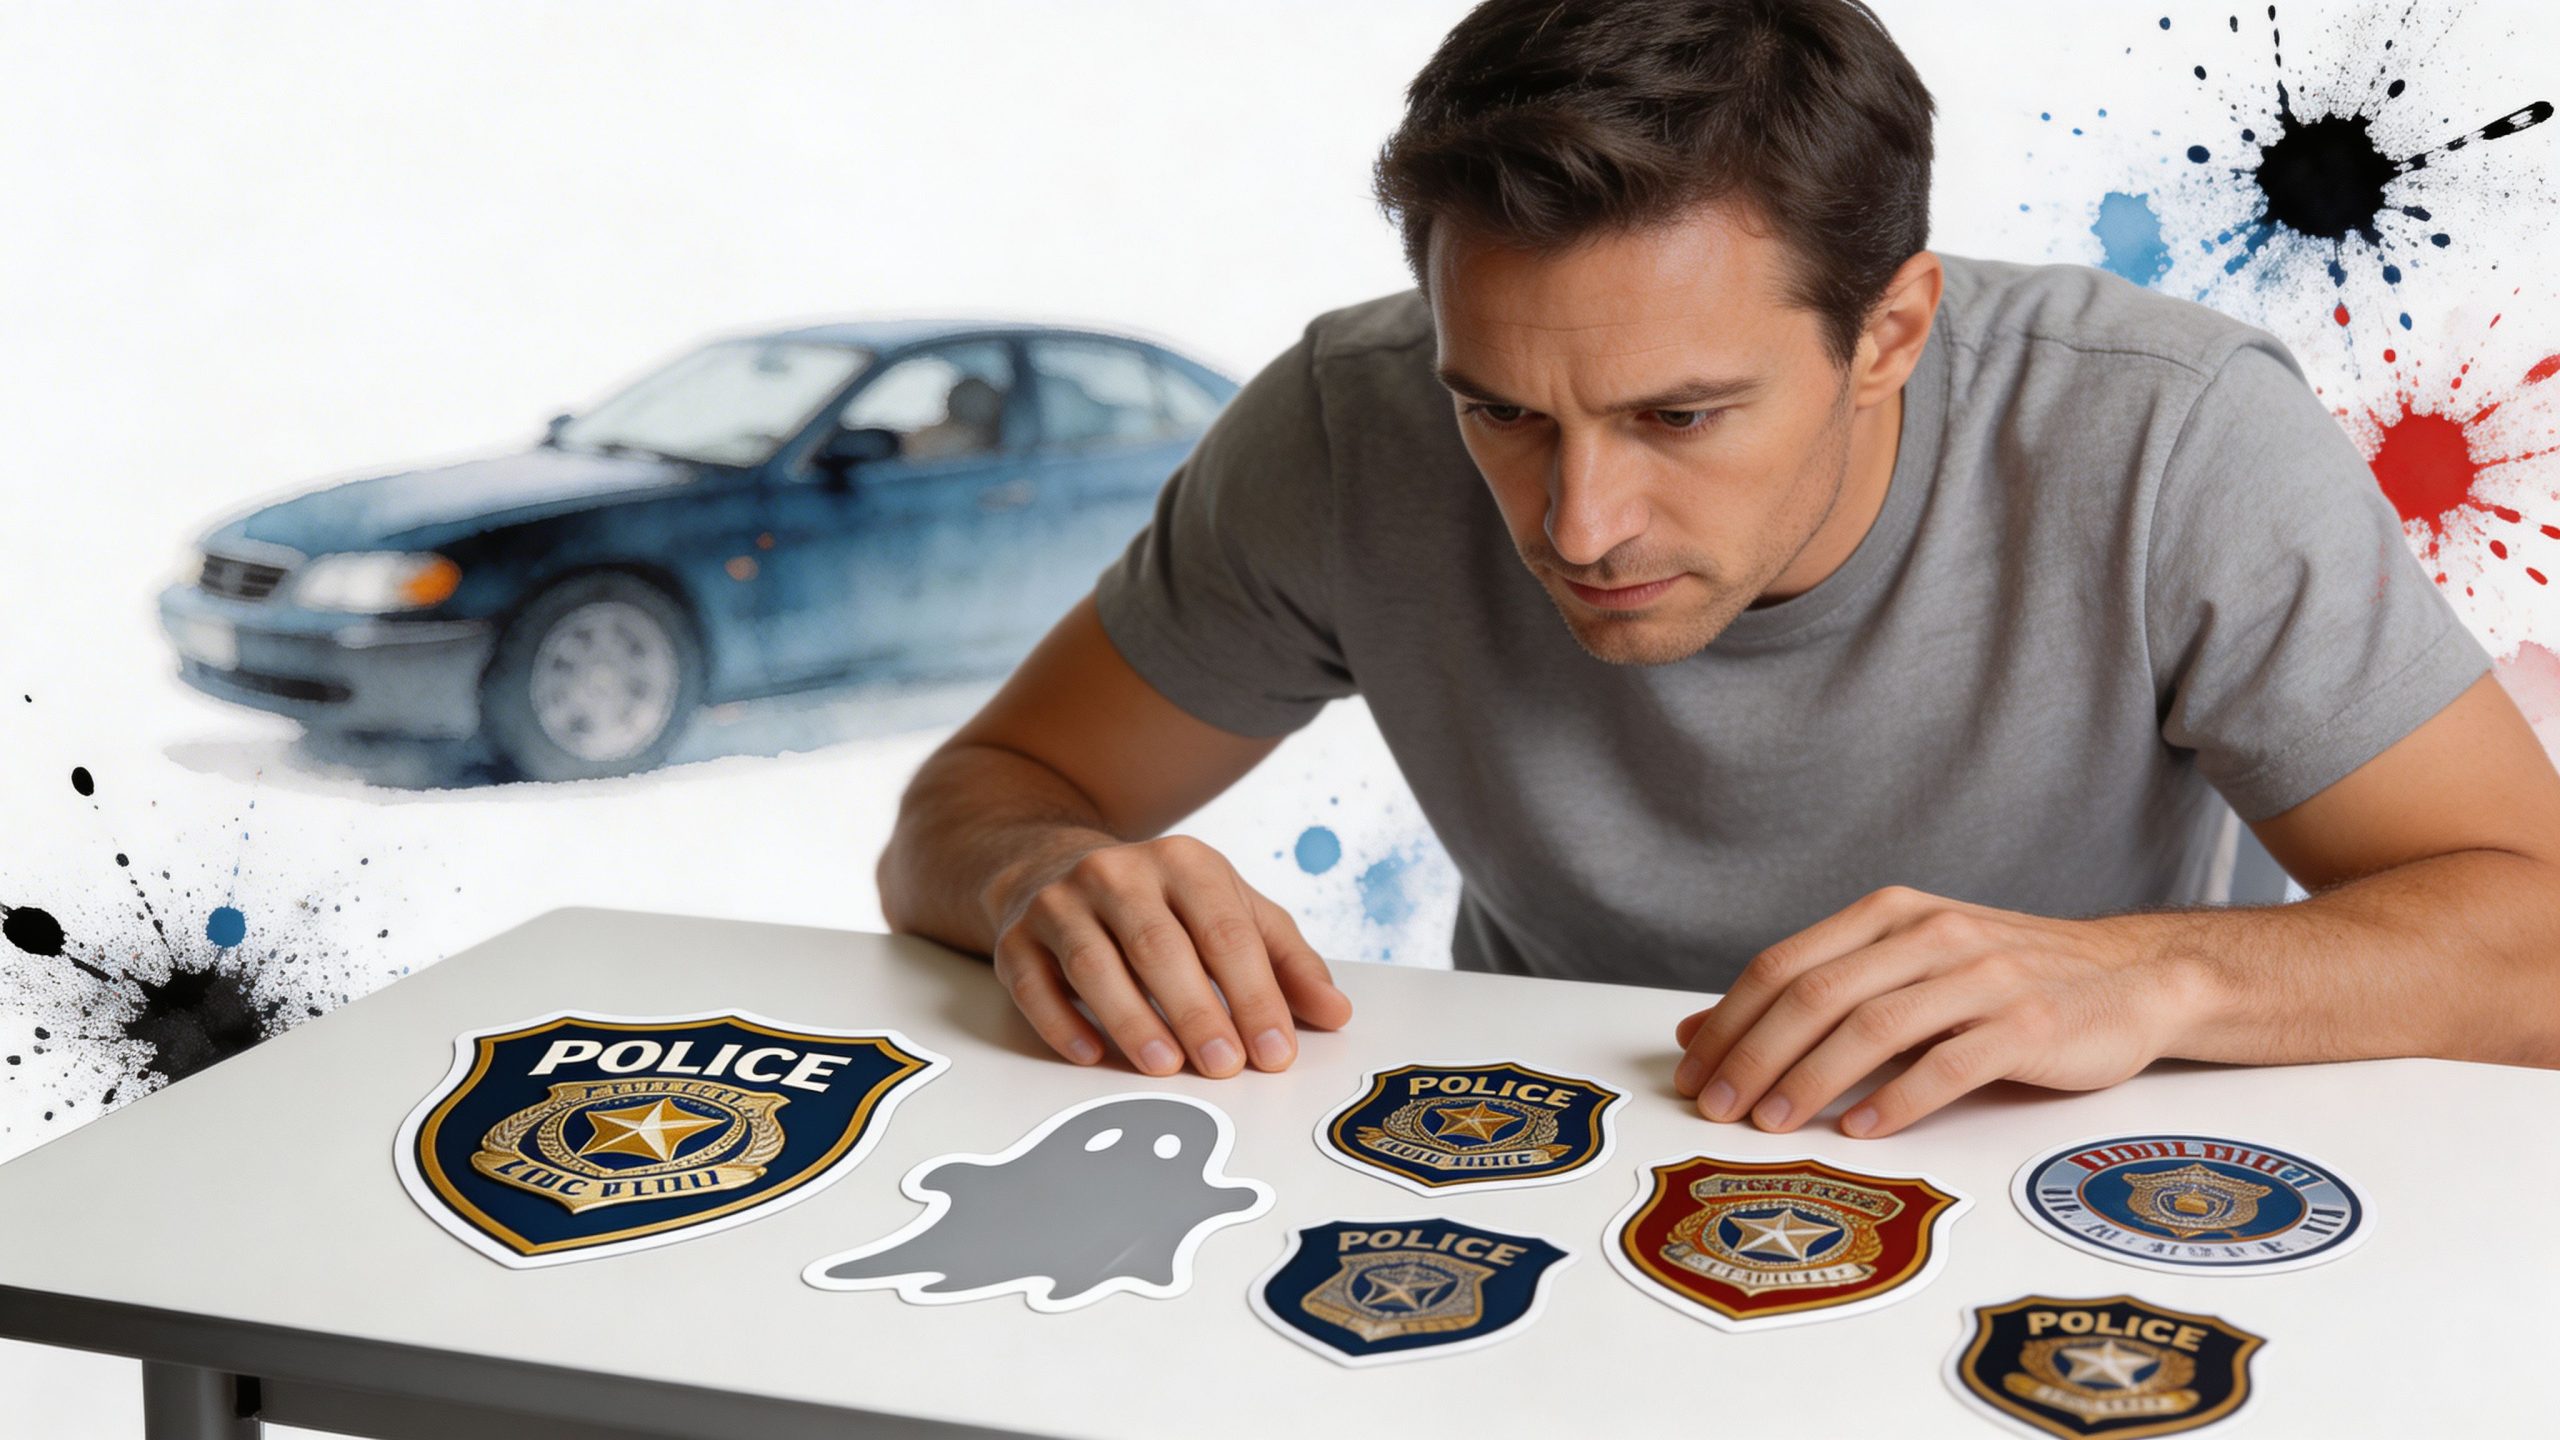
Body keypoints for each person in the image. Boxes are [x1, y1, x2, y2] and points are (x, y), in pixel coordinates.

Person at [873, 0, 2560, 1136]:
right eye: (1504, 413)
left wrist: (2147, 971)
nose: (1580, 522)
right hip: (1544, 1168)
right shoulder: (1347, 418)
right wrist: (1040, 875)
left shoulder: (2174, 439)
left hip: (2067, 1187)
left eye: (1682, 413)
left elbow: (2539, 933)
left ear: (1890, 329)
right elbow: (987, 794)